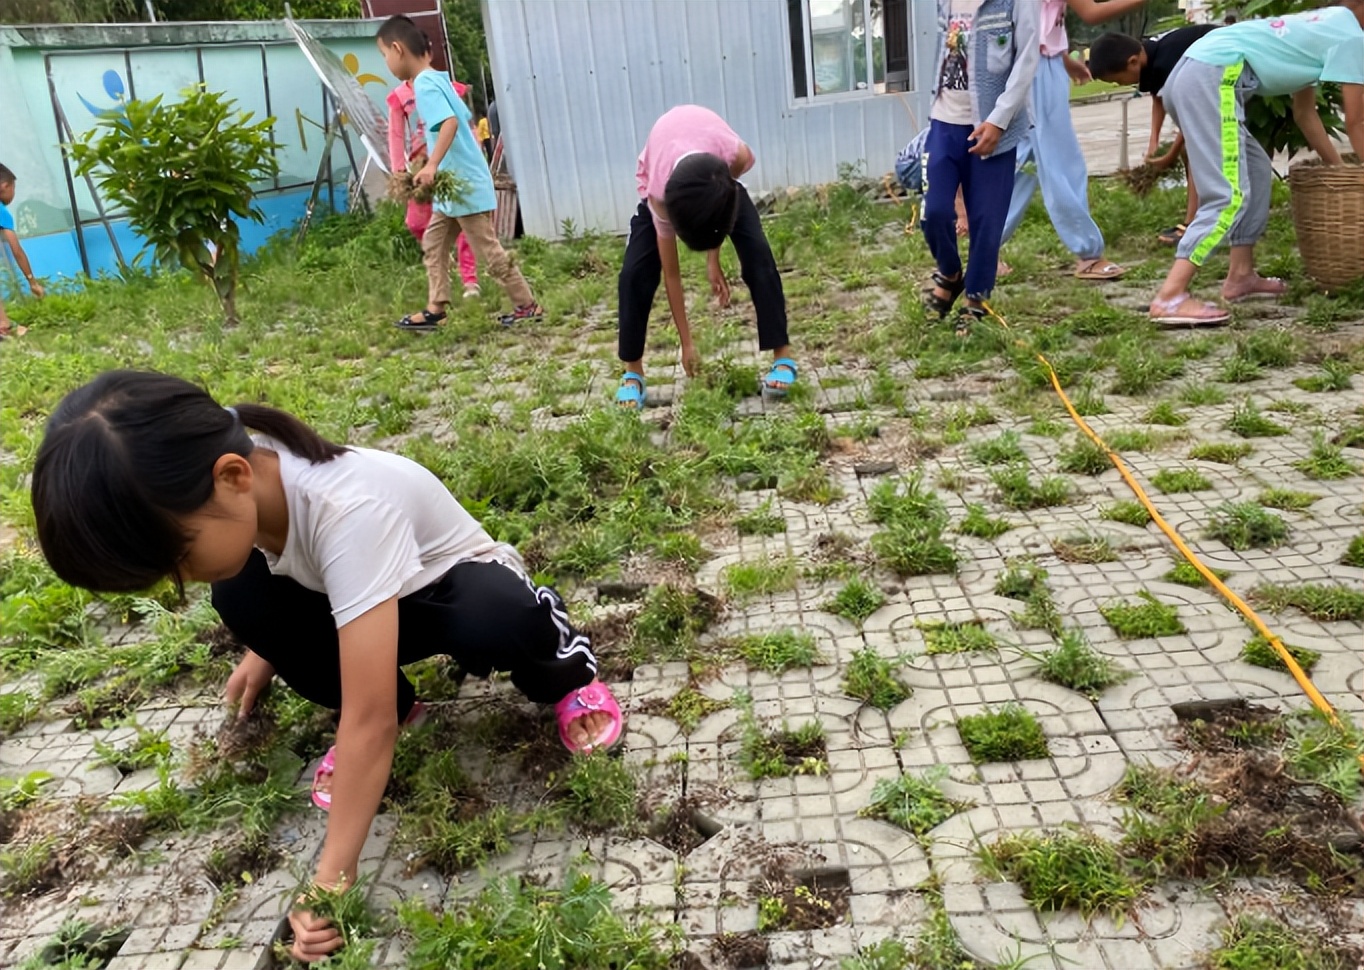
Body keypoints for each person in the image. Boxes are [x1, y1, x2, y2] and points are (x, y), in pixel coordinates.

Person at [29, 370, 623, 964]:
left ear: (232, 478)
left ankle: (567, 672)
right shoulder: (238, 468)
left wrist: (331, 878)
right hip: (366, 598)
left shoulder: (347, 507)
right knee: (240, 595)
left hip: (447, 586)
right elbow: (293, 568)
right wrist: (265, 648)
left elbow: (367, 722)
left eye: (178, 558)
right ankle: (401, 699)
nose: (175, 583)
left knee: (497, 617)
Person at [1148, 3, 1364, 325]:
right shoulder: (1352, 38)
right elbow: (1357, 122)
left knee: (1256, 170)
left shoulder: (1325, 27)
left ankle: (1241, 275)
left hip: (1194, 70)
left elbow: (1305, 114)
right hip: (1212, 72)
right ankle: (1170, 296)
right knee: (1228, 195)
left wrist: (1341, 169)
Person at [615, 104, 797, 410]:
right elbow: (671, 274)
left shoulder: (735, 155)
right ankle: (633, 373)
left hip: (715, 179)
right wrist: (687, 344)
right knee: (634, 274)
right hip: (666, 177)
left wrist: (714, 258)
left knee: (758, 255)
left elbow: (721, 204)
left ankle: (783, 355)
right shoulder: (660, 196)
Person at [376, 16, 541, 331]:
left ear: (398, 50)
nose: (386, 63)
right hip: (452, 189)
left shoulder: (424, 84)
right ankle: (435, 308)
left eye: (385, 55)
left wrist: (431, 164)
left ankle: (526, 304)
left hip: (463, 186)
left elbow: (450, 123)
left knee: (489, 250)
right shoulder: (439, 78)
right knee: (434, 245)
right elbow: (461, 119)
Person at [997, 0, 1148, 284]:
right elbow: (1090, 13)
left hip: (1031, 62)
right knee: (1061, 160)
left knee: (1022, 160)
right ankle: (1088, 252)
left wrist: (1064, 61)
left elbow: (1038, 23)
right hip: (1037, 66)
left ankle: (987, 242)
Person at [921, 0, 1041, 335]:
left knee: (988, 220)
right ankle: (950, 272)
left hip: (993, 127)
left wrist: (999, 120)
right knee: (936, 212)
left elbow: (1027, 58)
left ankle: (975, 298)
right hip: (944, 123)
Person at [1089, 23, 1220, 247]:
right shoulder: (1150, 56)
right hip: (1207, 82)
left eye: (1117, 80)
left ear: (1132, 62)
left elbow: (1190, 122)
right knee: (1193, 150)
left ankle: (1193, 223)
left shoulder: (1167, 62)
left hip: (1228, 71)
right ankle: (1199, 220)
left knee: (1193, 151)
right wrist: (1153, 141)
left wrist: (1169, 155)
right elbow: (1158, 97)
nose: (1118, 84)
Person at [386, 79, 480, 300]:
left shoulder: (444, 86)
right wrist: (399, 169)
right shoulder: (400, 96)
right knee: (416, 222)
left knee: (463, 220)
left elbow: (466, 124)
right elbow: (396, 134)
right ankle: (443, 258)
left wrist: (475, 155)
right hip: (421, 169)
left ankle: (470, 280)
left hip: (451, 161)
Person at [0, 164, 44, 339]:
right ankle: (4, 327)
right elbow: (16, 250)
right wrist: (32, 282)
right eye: (14, 188)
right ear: (5, 186)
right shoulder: (2, 212)